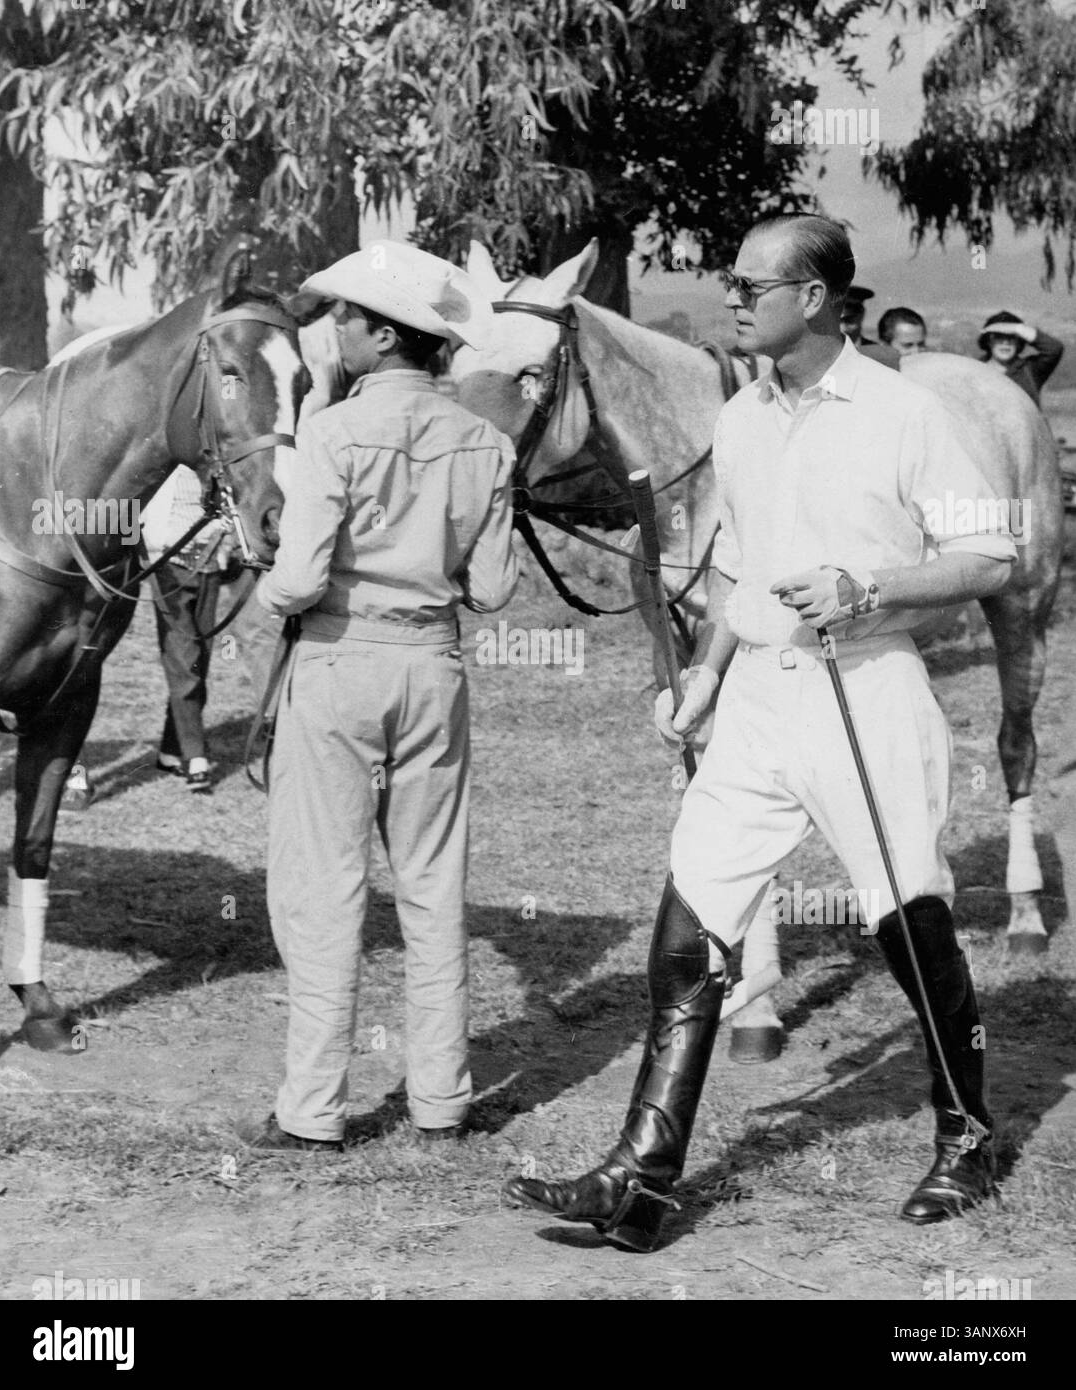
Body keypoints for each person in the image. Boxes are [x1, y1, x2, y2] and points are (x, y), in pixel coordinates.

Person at [504, 213, 1017, 1252]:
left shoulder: (904, 413)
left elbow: (989, 556)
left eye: (752, 285)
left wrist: (866, 585)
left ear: (817, 298)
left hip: (862, 689)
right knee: (689, 926)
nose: (732, 299)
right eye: (731, 282)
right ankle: (641, 1178)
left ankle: (966, 1134)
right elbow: (737, 566)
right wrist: (701, 677)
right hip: (756, 705)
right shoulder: (740, 417)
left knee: (906, 921)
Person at [250, 241, 519, 1152]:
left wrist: (265, 587)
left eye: (344, 318)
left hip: (337, 663)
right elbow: (491, 589)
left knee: (321, 888)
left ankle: (314, 1108)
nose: (334, 331)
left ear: (378, 333)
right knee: (434, 887)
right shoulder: (487, 442)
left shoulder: (330, 432)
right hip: (433, 667)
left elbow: (295, 582)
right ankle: (440, 1099)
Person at [141, 467, 237, 793]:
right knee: (184, 657)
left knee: (200, 660)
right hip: (168, 564)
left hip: (208, 564)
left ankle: (171, 749)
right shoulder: (166, 458)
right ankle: (196, 757)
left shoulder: (215, 462)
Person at [978, 311, 1063, 407]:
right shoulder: (975, 370)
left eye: (1011, 337)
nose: (1005, 342)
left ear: (1019, 342)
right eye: (998, 336)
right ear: (988, 341)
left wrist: (1018, 328)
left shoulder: (1030, 370)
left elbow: (1054, 349)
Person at [839, 284, 899, 369]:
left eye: (855, 308)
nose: (846, 313)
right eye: (839, 306)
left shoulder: (879, 352)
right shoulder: (819, 351)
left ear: (863, 312)